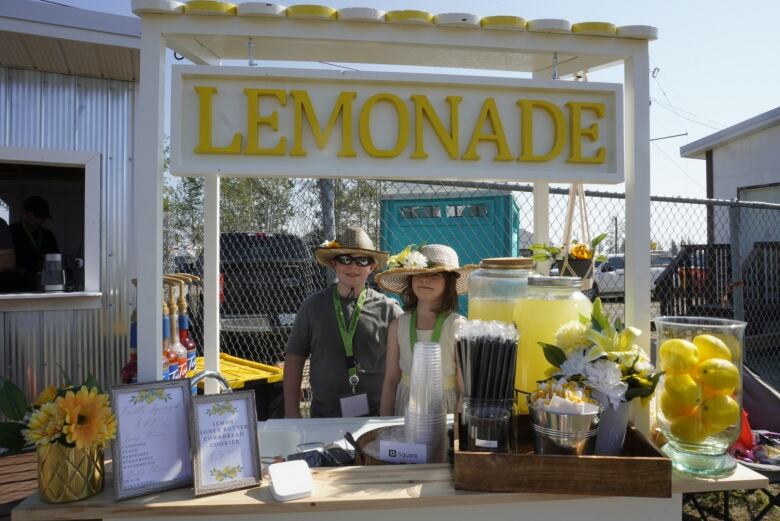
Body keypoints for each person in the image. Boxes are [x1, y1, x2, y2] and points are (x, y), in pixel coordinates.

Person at [283, 227, 403, 418]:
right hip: (324, 416)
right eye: (345, 259)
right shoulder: (313, 306)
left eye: (362, 260)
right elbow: (294, 359)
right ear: (334, 264)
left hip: (375, 417)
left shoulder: (389, 310)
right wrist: (292, 414)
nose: (352, 267)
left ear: (372, 267)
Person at [375, 244, 471, 416]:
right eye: (419, 274)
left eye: (434, 275)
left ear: (449, 282)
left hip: (445, 409)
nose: (425, 279)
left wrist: (457, 434)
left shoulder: (458, 326)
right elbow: (390, 381)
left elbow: (465, 390)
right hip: (406, 406)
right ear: (410, 279)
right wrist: (384, 424)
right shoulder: (398, 325)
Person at [10, 196, 59, 291]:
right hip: (15, 286)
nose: (40, 220)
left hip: (43, 285)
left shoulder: (48, 235)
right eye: (37, 216)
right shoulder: (11, 232)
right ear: (24, 213)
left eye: (43, 217)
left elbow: (55, 261)